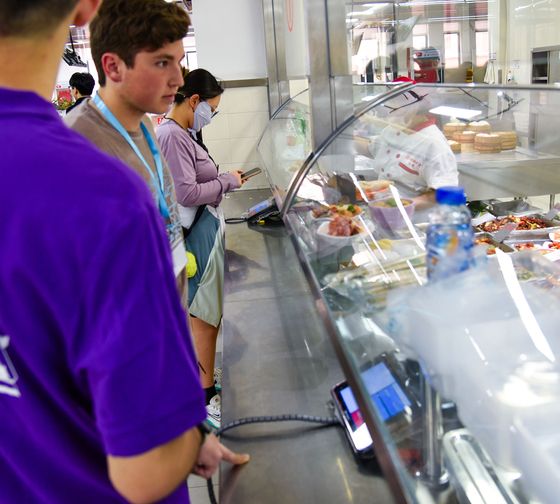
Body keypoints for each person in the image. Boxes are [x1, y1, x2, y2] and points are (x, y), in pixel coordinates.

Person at [0, 0, 248, 502]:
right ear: (86, 9)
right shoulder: (92, 188)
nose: (178, 77)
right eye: (163, 61)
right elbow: (146, 471)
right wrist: (180, 433)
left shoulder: (144, 141)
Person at [157, 68, 244, 428]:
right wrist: (227, 181)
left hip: (202, 230)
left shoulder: (183, 132)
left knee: (207, 315)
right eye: (212, 108)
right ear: (194, 101)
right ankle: (205, 398)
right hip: (194, 236)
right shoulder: (172, 135)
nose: (212, 114)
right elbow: (186, 193)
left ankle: (203, 381)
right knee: (204, 318)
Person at [368, 77, 458, 210]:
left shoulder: (434, 144)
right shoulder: (393, 129)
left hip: (414, 219)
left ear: (414, 108)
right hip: (382, 210)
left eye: (394, 105)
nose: (388, 111)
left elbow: (445, 194)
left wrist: (400, 207)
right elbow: (372, 147)